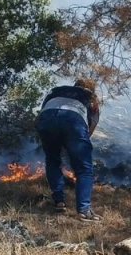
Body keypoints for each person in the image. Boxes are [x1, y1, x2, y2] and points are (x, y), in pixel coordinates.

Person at [36, 78, 101, 221]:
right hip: (73, 121)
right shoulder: (91, 98)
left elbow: (44, 111)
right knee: (84, 168)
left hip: (46, 119)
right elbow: (91, 126)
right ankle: (84, 210)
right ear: (92, 88)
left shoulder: (56, 91)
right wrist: (76, 147)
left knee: (52, 160)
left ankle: (59, 201)